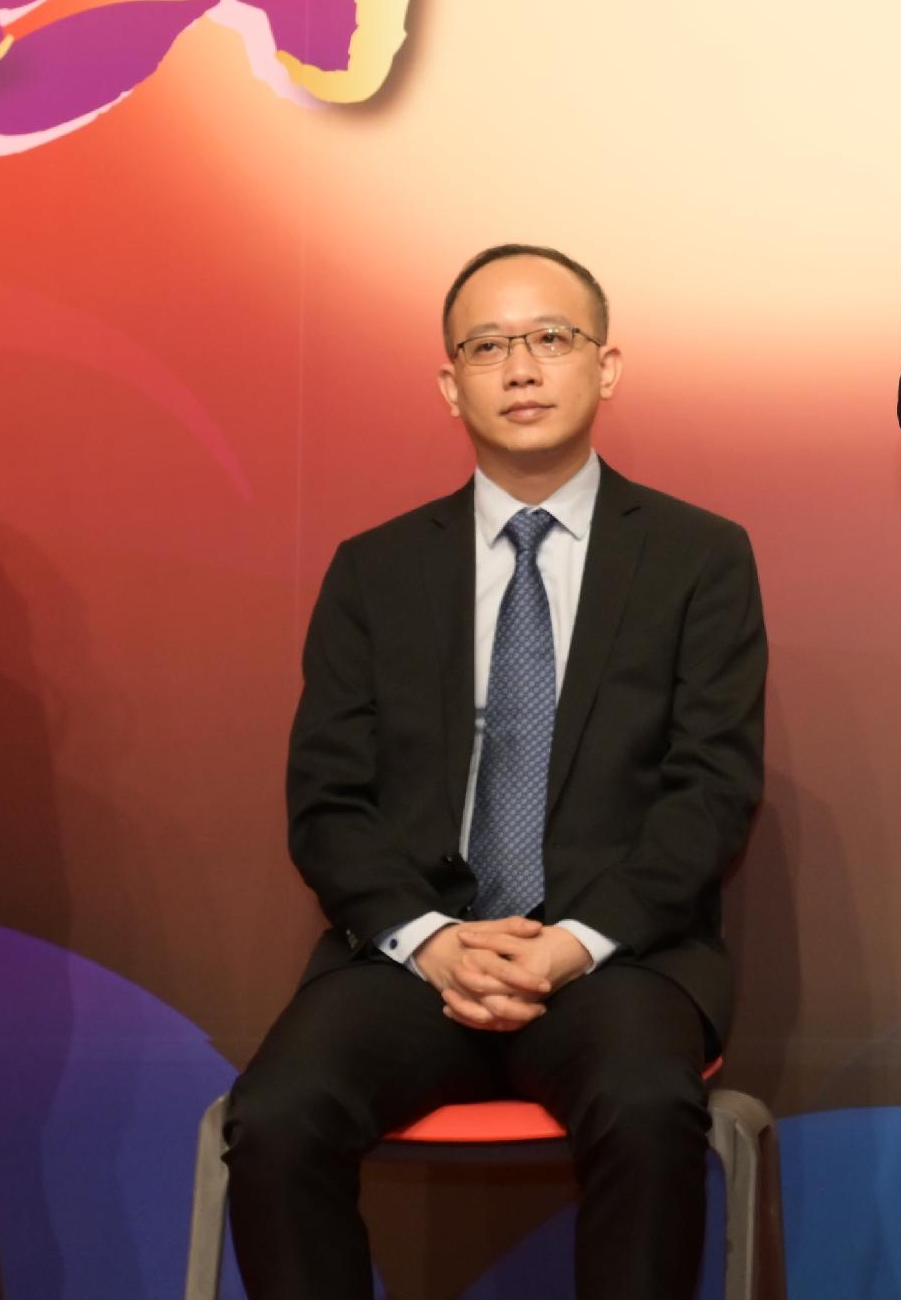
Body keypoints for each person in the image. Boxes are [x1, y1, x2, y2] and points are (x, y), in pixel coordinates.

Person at [222, 244, 767, 1300]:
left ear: (605, 366)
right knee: (277, 1118)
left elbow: (711, 792)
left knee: (651, 1112)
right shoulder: (375, 569)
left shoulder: (700, 557)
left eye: (550, 340)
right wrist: (431, 943)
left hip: (615, 957)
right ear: (448, 382)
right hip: (416, 958)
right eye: (487, 347)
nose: (520, 369)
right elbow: (326, 801)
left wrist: (569, 945)